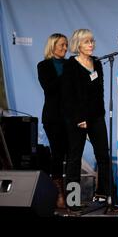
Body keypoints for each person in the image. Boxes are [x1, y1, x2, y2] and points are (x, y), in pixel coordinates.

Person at [62, 29, 110, 209]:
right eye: (86, 42)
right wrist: (79, 118)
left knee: (103, 156)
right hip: (78, 118)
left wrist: (100, 114)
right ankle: (72, 201)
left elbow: (100, 91)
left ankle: (103, 195)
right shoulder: (70, 65)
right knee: (75, 158)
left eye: (92, 41)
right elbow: (68, 95)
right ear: (78, 45)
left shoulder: (97, 62)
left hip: (96, 116)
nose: (91, 45)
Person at [37, 33, 69, 209]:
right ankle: (58, 195)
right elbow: (49, 88)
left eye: (66, 45)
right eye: (62, 45)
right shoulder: (43, 66)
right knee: (57, 155)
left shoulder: (70, 64)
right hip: (53, 118)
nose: (65, 48)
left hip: (71, 119)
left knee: (72, 156)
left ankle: (73, 195)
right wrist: (67, 73)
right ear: (52, 46)